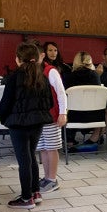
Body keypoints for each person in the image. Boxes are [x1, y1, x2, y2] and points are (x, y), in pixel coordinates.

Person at [0, 42, 52, 209]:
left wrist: (4, 119)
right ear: (37, 58)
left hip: (18, 124)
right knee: (31, 157)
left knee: (24, 161)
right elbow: (50, 101)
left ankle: (26, 198)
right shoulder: (42, 76)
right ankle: (35, 192)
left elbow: (5, 102)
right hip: (38, 122)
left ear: (17, 59)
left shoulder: (13, 77)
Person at [36, 42, 67, 194]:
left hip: (52, 116)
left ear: (42, 56)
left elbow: (61, 93)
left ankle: (52, 179)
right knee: (42, 147)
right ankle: (46, 177)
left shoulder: (51, 71)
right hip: (39, 117)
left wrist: (63, 113)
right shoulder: (35, 71)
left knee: (51, 147)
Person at [64, 52, 105, 151]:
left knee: (67, 108)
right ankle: (94, 140)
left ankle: (69, 141)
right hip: (95, 117)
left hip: (72, 117)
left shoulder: (68, 76)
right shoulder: (95, 75)